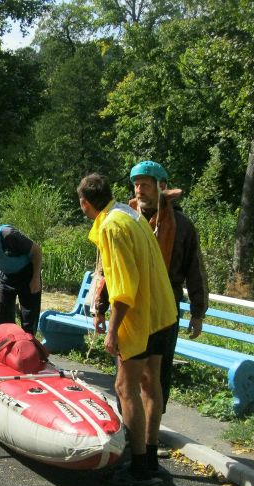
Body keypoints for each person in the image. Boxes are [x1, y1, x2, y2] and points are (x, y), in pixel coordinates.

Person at [95, 161, 209, 456]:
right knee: (127, 380)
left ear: (161, 186)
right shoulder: (128, 219)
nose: (139, 189)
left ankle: (147, 444)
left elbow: (194, 269)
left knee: (154, 379)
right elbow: (111, 270)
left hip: (164, 303)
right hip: (131, 308)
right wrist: (100, 306)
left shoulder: (181, 225)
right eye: (135, 184)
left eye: (145, 183)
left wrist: (198, 311)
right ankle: (133, 443)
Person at [77, 173, 176, 486]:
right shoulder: (128, 213)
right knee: (151, 382)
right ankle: (148, 453)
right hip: (161, 314)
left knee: (125, 387)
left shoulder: (111, 226)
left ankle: (138, 468)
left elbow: (124, 287)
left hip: (140, 318)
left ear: (84, 203)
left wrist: (112, 329)